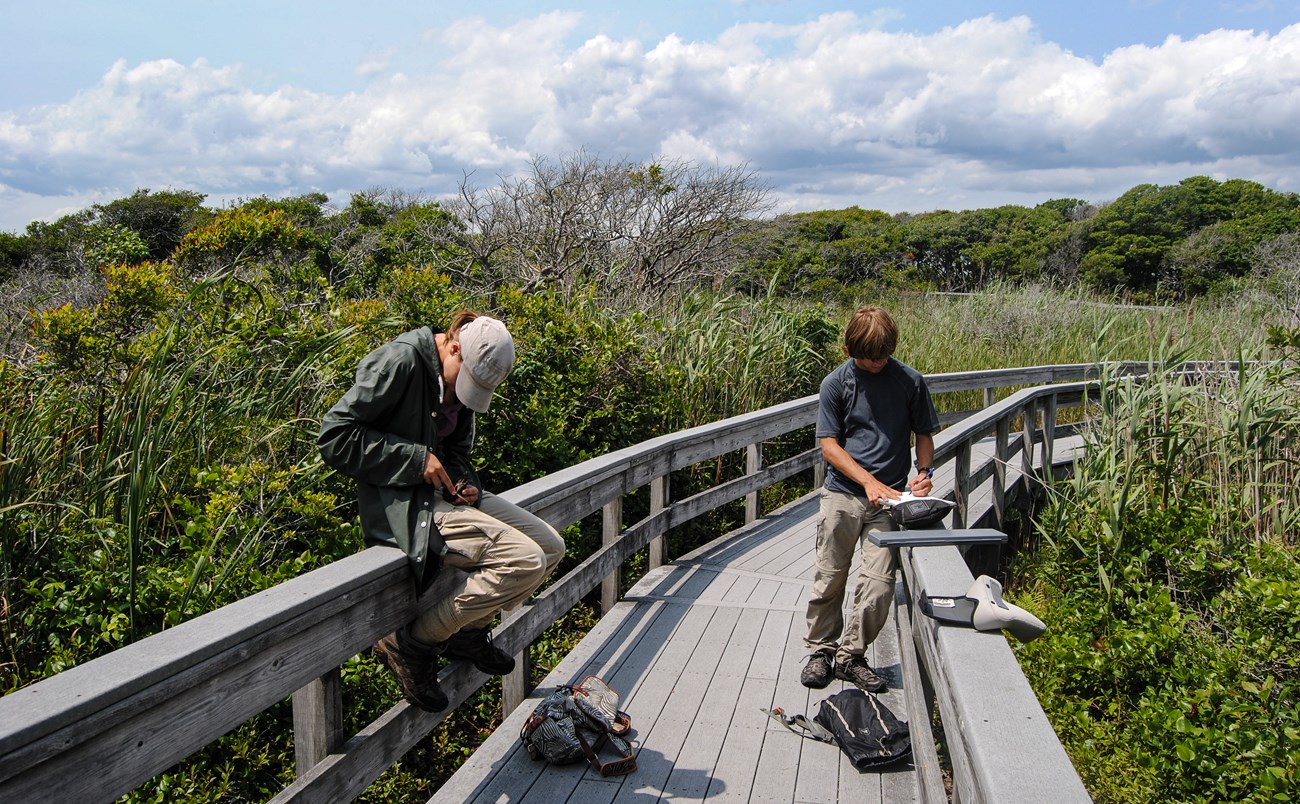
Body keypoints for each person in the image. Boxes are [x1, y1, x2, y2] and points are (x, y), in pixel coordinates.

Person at [319, 312, 565, 712]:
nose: (462, 395)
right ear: (453, 348)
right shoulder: (400, 362)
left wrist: (465, 482)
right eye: (463, 381)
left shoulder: (458, 380)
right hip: (403, 504)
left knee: (550, 547)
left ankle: (467, 632)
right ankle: (412, 643)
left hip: (444, 496)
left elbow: (457, 453)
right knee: (523, 559)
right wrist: (415, 460)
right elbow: (335, 436)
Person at [801, 305, 940, 692]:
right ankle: (820, 651)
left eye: (884, 355)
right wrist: (867, 482)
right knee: (830, 577)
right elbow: (829, 446)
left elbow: (924, 434)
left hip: (891, 499)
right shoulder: (836, 383)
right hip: (842, 496)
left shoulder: (910, 382)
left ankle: (850, 657)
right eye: (869, 357)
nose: (878, 363)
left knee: (879, 584)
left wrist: (925, 473)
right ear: (849, 349)